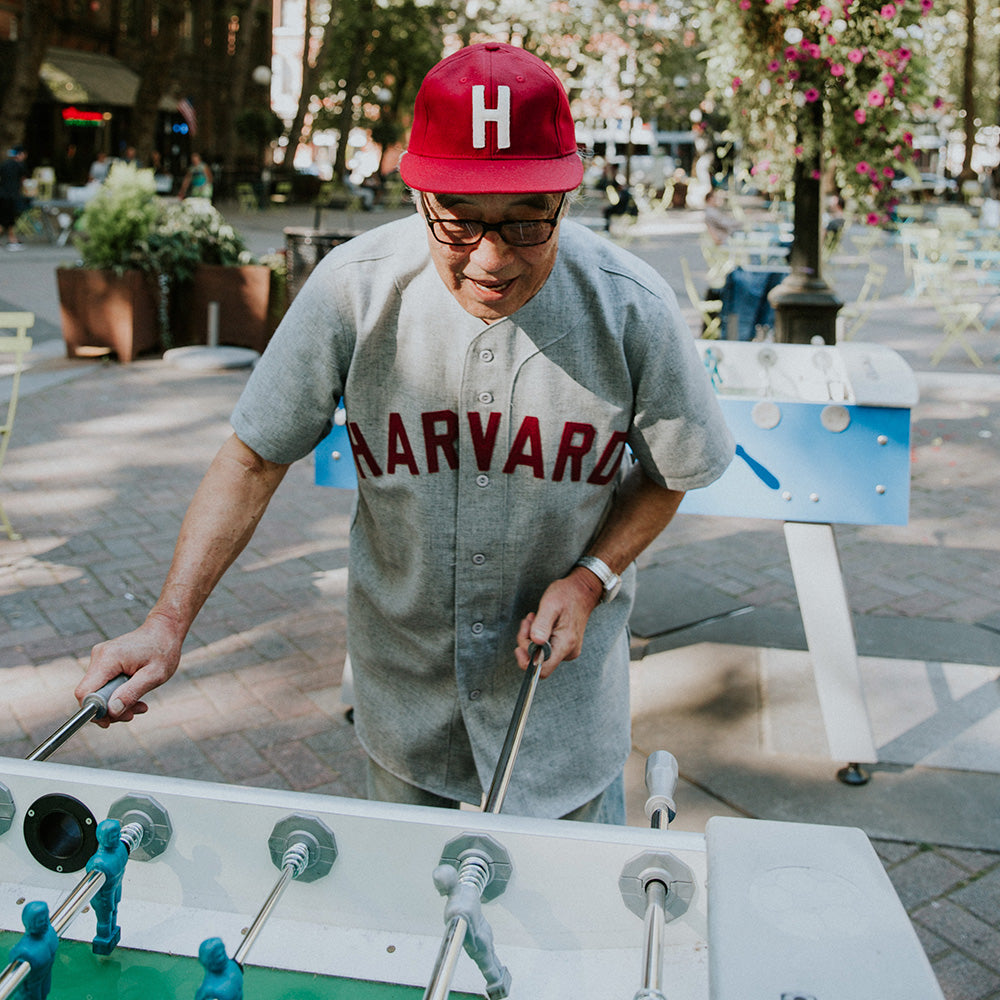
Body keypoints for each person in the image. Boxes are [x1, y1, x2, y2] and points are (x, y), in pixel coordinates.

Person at [76, 41, 733, 823]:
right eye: (458, 221)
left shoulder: (632, 307)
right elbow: (252, 458)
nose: (491, 258)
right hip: (405, 700)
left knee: (571, 929)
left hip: (561, 715)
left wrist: (592, 576)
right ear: (418, 193)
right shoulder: (354, 290)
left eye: (528, 221)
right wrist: (167, 622)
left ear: (568, 194)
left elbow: (672, 472)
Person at [85, 818, 128, 954]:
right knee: (104, 918)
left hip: (116, 886)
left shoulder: (120, 849)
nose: (117, 837)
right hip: (102, 894)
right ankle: (103, 941)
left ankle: (112, 933)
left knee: (115, 909)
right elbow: (91, 877)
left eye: (117, 834)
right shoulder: (97, 862)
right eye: (112, 835)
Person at [8, 900, 59, 1000]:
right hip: (29, 991)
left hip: (44, 979)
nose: (45, 923)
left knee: (44, 993)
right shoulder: (23, 952)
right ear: (31, 923)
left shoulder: (49, 935)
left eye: (46, 919)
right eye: (40, 921)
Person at [0, 147, 27, 250]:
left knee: (4, 218)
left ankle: (12, 238)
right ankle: (12, 240)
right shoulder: (20, 165)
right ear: (20, 154)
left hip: (2, 194)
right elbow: (23, 180)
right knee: (8, 219)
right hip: (12, 195)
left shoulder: (4, 164)